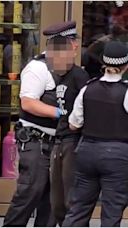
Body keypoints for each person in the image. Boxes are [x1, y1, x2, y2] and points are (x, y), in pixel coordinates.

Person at [3, 21, 82, 226]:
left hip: (58, 144)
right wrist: (61, 113)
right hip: (36, 140)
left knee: (51, 202)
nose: (76, 47)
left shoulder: (71, 70)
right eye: (73, 43)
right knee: (30, 192)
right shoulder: (38, 68)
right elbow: (28, 103)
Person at [63, 41, 128, 227]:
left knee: (78, 208)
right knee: (111, 212)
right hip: (118, 155)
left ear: (104, 64)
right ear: (126, 66)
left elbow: (74, 125)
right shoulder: (126, 92)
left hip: (87, 151)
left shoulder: (87, 89)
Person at [41, 22, 91, 226]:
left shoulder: (79, 76)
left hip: (72, 142)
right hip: (59, 140)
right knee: (57, 201)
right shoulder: (59, 75)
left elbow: (84, 110)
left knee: (71, 198)